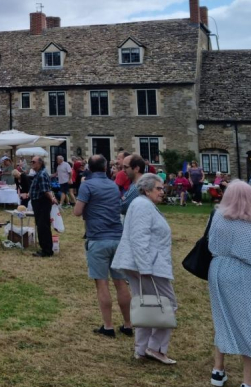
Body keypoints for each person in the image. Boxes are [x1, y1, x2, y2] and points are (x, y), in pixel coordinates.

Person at [111, 174, 177, 364]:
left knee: (146, 305)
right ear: (147, 190)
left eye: (162, 188)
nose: (162, 192)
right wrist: (145, 267)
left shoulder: (144, 205)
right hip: (148, 266)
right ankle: (154, 348)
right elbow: (139, 238)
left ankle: (142, 349)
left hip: (145, 265)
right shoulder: (142, 205)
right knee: (168, 305)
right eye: (159, 188)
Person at [73, 155, 133, 338]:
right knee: (121, 283)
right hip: (117, 237)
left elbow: (77, 211)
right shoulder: (113, 185)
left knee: (102, 283)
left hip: (98, 238)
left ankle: (108, 326)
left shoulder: (87, 185)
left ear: (89, 168)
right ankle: (128, 324)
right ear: (106, 167)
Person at [207, 181, 251, 387]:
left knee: (221, 318)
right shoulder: (248, 223)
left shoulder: (217, 216)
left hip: (216, 268)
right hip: (241, 272)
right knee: (247, 323)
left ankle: (218, 370)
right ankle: (248, 383)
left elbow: (209, 242)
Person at [29, 156, 57, 257]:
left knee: (42, 226)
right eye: (31, 161)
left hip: (42, 203)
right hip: (39, 202)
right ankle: (45, 248)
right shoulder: (39, 173)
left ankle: (46, 250)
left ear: (40, 163)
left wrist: (52, 198)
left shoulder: (41, 174)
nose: (31, 163)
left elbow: (45, 190)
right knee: (42, 225)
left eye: (33, 162)